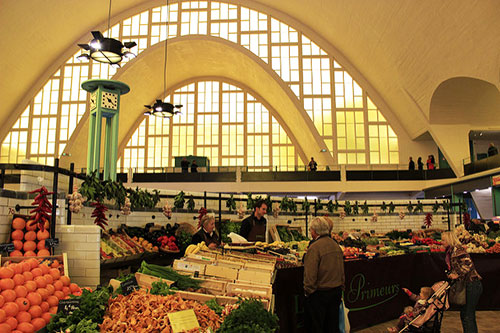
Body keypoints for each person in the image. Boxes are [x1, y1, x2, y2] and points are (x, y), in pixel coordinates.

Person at [303, 217, 345, 333]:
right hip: (335, 292)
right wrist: (341, 287)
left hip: (320, 294)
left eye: (311, 230)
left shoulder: (314, 248)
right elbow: (342, 270)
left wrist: (309, 291)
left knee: (317, 327)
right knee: (332, 326)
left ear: (315, 231)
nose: (310, 232)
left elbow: (310, 275)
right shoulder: (336, 245)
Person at [442, 231, 482, 333]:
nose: (442, 242)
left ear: (449, 240)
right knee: (465, 314)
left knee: (468, 315)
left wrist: (457, 274)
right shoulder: (451, 251)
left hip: (472, 284)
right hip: (468, 285)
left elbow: (468, 265)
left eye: (443, 240)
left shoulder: (458, 251)